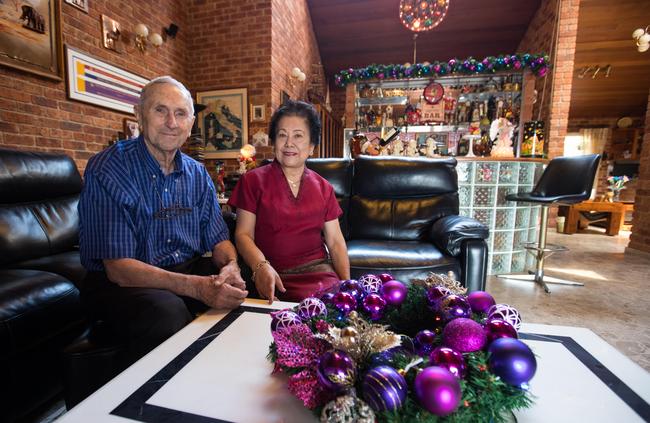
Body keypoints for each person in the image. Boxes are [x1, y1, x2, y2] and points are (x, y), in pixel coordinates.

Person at [79, 76, 247, 362]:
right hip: (123, 283)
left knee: (244, 285)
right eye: (160, 110)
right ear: (139, 115)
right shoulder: (108, 168)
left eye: (180, 113)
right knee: (166, 312)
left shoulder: (196, 173)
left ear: (191, 123)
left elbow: (219, 239)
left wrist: (231, 266)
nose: (172, 122)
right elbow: (119, 269)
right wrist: (195, 286)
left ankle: (228, 372)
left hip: (182, 267)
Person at [228, 100, 349, 303]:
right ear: (274, 141)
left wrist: (347, 286)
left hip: (317, 274)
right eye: (282, 135)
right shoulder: (252, 181)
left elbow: (336, 242)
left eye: (298, 136)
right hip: (269, 273)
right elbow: (243, 235)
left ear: (311, 146)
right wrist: (260, 266)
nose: (289, 143)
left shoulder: (324, 188)